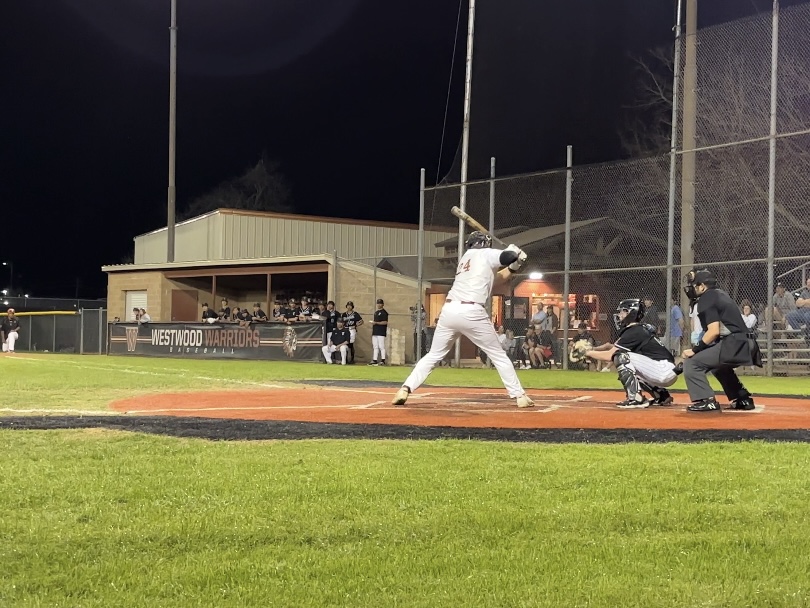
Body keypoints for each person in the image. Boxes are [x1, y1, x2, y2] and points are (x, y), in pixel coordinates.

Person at [391, 231, 534, 408]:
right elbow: (506, 256)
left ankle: (405, 388)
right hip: (472, 310)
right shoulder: (485, 253)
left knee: (434, 355)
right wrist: (514, 252)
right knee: (498, 355)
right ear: (484, 244)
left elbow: (495, 279)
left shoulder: (466, 259)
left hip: (449, 310)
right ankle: (519, 395)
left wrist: (516, 264)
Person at [681, 269, 760, 412]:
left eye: (695, 285)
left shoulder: (707, 297)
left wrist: (694, 351)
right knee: (719, 366)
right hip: (747, 343)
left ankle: (706, 400)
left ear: (703, 286)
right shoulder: (720, 294)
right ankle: (742, 398)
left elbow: (713, 331)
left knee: (691, 364)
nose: (692, 289)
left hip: (735, 344)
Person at [582, 299, 678, 408]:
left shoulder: (634, 331)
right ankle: (661, 395)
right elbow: (614, 348)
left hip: (662, 370)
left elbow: (610, 356)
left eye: (623, 311)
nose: (619, 315)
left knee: (621, 357)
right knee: (630, 368)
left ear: (631, 312)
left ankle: (636, 398)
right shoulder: (639, 329)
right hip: (665, 369)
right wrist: (592, 350)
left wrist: (587, 352)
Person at [368, 298, 388, 366]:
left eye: (380, 303)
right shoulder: (376, 312)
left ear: (383, 304)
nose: (379, 305)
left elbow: (385, 322)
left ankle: (383, 360)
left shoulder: (384, 313)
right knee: (375, 346)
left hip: (381, 332)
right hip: (375, 331)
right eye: (378, 303)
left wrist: (376, 323)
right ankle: (375, 359)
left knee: (381, 346)